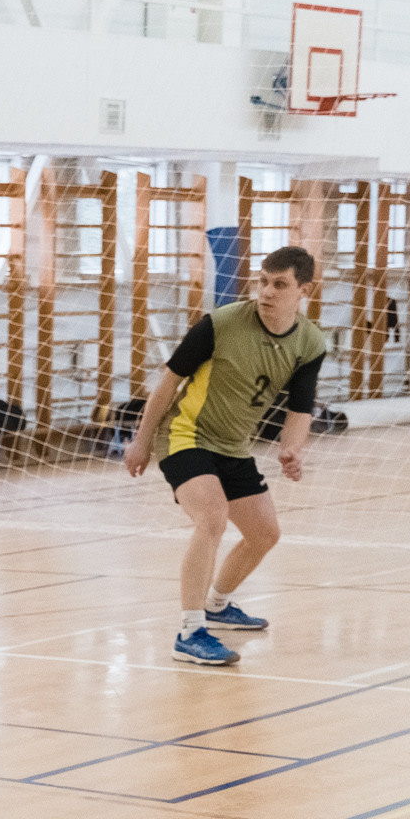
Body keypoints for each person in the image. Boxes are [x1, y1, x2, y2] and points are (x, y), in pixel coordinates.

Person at [123, 245, 328, 668]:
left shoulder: (309, 342)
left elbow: (300, 409)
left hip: (233, 446)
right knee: (212, 518)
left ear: (305, 290)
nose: (267, 292)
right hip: (186, 435)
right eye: (262, 282)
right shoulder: (221, 324)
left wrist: (293, 450)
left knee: (265, 534)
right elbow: (166, 387)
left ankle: (218, 604)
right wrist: (141, 441)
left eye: (280, 284)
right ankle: (190, 632)